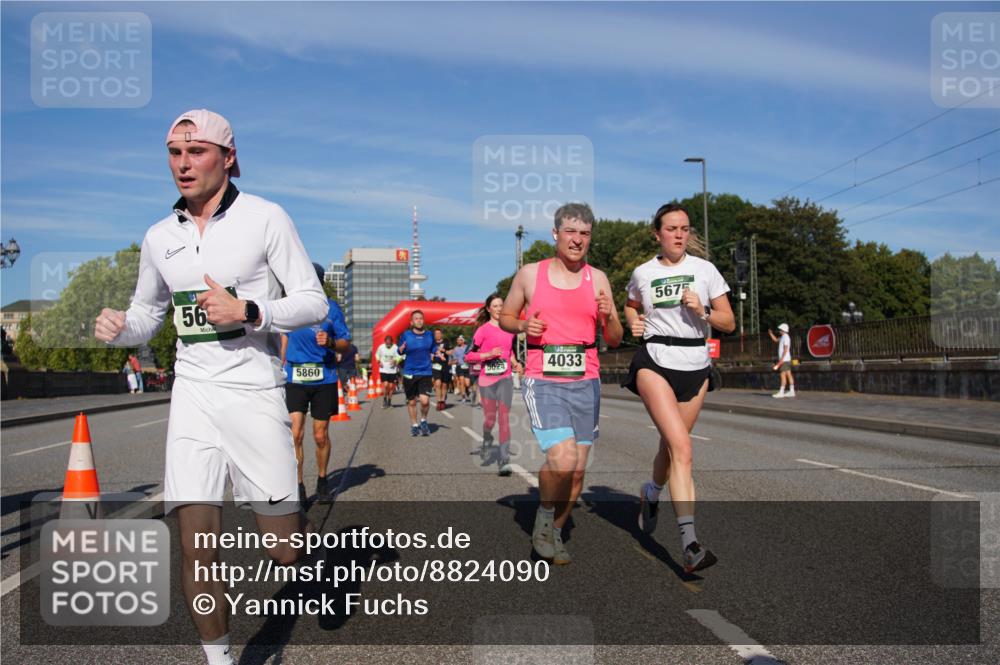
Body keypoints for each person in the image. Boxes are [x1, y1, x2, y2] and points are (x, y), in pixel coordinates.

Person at [94, 109, 328, 665]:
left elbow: (313, 301)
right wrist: (120, 327)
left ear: (228, 157)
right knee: (197, 544)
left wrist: (249, 309)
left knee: (284, 550)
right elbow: (149, 315)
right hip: (193, 397)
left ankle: (303, 531)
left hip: (253, 392)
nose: (183, 164)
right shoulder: (158, 236)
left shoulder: (265, 218)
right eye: (174, 153)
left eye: (195, 152)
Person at [500, 202, 623, 565]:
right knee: (564, 457)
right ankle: (543, 520)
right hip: (543, 377)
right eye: (571, 232)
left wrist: (606, 317)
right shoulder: (530, 275)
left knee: (578, 469)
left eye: (584, 234)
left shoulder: (597, 279)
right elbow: (506, 316)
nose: (577, 240)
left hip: (587, 378)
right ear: (556, 234)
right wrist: (523, 326)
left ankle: (555, 529)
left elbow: (615, 338)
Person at [623, 202, 735, 574]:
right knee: (683, 447)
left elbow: (729, 322)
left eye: (685, 229)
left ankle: (651, 493)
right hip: (654, 360)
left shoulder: (705, 271)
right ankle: (690, 545)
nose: (679, 234)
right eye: (671, 228)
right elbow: (630, 305)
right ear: (657, 233)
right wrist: (635, 323)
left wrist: (703, 310)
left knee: (671, 449)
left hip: (695, 365)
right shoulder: (643, 272)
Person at [280, 262, 352, 506]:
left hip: (325, 378)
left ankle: (322, 480)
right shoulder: (290, 305)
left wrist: (331, 342)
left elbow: (345, 343)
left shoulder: (331, 309)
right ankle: (297, 485)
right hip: (295, 377)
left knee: (320, 435)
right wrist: (277, 368)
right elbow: (282, 339)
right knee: (295, 434)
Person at [467, 294, 523, 476]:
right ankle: (487, 436)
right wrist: (488, 354)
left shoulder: (509, 329)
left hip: (505, 378)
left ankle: (504, 460)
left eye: (501, 305)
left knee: (504, 418)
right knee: (490, 419)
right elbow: (469, 356)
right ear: (489, 309)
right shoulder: (482, 330)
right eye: (495, 306)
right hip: (487, 379)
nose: (499, 308)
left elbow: (509, 352)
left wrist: (515, 362)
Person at [398, 310, 437, 436]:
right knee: (412, 401)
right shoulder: (406, 335)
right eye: (416, 318)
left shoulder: (429, 335)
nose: (419, 320)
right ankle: (414, 425)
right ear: (411, 322)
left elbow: (433, 348)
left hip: (425, 371)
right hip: (410, 371)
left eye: (421, 318)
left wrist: (437, 353)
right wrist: (401, 349)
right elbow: (399, 351)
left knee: (425, 401)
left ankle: (424, 420)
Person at [768, 323, 796, 398]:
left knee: (782, 375)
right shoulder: (783, 337)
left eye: (780, 329)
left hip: (784, 360)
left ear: (783, 330)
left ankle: (781, 392)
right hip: (786, 360)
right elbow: (776, 340)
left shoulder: (786, 337)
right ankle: (792, 391)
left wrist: (781, 360)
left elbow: (786, 349)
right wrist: (770, 334)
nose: (779, 330)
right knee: (788, 374)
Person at [376, 335, 400, 408]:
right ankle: (384, 399)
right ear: (385, 342)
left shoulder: (396, 347)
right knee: (386, 385)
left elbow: (400, 355)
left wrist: (396, 360)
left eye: (389, 343)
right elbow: (377, 355)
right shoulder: (381, 347)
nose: (388, 345)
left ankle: (389, 401)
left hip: (392, 370)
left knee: (391, 386)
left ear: (392, 342)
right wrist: (379, 361)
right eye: (387, 343)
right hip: (383, 369)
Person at [431, 329, 450, 410]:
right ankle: (439, 402)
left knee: (444, 385)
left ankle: (443, 400)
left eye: (439, 333)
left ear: (441, 334)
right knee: (438, 383)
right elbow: (429, 352)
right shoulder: (432, 343)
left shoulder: (446, 342)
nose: (438, 335)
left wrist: (443, 350)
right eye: (436, 334)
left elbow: (450, 352)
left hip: (445, 365)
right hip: (436, 365)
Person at [452, 335, 470, 403]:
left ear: (463, 341)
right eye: (457, 340)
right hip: (459, 367)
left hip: (467, 366)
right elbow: (455, 359)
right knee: (461, 381)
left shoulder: (468, 347)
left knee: (467, 384)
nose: (457, 341)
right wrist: (454, 361)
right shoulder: (456, 349)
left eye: (459, 340)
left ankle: (467, 390)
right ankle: (463, 396)